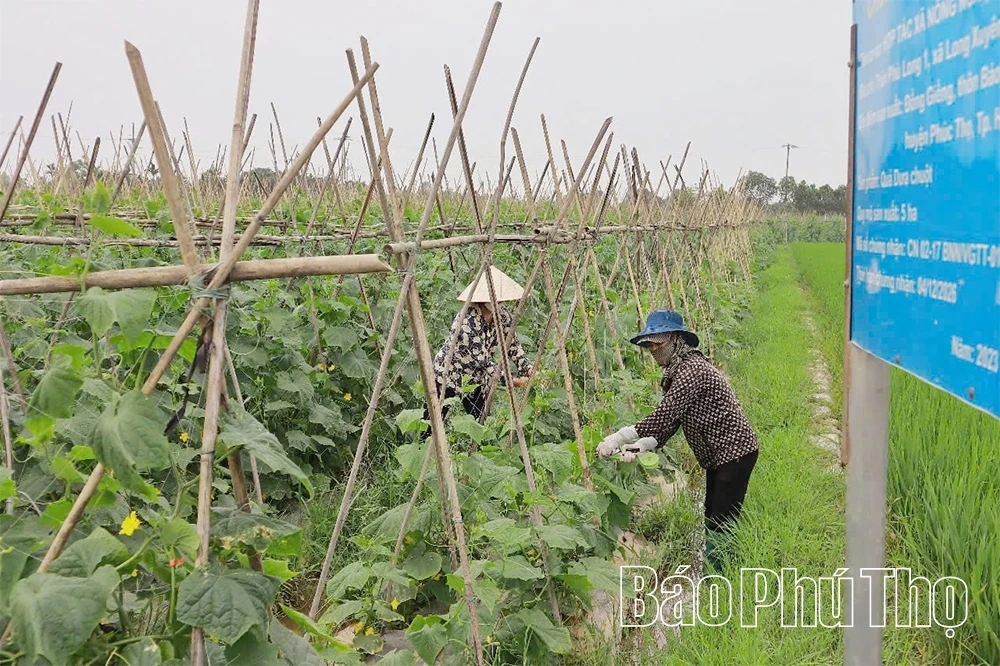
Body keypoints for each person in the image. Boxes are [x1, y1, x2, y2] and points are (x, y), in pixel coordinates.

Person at [596, 309, 759, 571]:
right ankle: (716, 569)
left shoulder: (691, 370)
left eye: (657, 344)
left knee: (721, 520)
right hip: (719, 454)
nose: (652, 351)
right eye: (649, 346)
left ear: (675, 339)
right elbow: (673, 421)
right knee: (711, 514)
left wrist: (621, 436)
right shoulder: (678, 370)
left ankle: (719, 576)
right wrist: (645, 444)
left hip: (734, 452)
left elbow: (665, 414)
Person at [427, 266, 533, 425]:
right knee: (432, 423)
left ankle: (477, 450)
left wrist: (528, 369)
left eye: (502, 299)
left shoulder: (502, 317)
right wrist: (510, 380)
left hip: (473, 379)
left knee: (479, 425)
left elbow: (512, 345)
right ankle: (426, 445)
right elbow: (483, 360)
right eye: (497, 299)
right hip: (448, 374)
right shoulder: (466, 320)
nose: (501, 303)